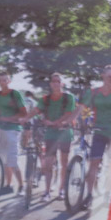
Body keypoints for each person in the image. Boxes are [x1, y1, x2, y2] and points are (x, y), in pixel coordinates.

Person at [81, 65, 111, 202]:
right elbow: (84, 109)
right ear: (103, 76)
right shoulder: (94, 92)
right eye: (109, 76)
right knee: (94, 163)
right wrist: (85, 121)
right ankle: (89, 195)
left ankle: (108, 193)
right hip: (98, 131)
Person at [34, 72, 78, 201]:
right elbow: (37, 111)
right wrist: (33, 118)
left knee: (64, 163)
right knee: (48, 164)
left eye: (58, 81)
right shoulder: (45, 99)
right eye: (54, 81)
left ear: (62, 84)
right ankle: (47, 191)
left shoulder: (68, 97)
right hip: (51, 133)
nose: (56, 84)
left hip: (65, 133)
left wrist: (54, 122)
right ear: (50, 84)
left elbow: (68, 114)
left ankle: (62, 190)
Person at [0, 71, 30, 196]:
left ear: (9, 81)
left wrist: (8, 119)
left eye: (5, 80)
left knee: (12, 160)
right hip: (1, 129)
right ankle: (8, 185)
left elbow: (24, 113)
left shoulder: (15, 94)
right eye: (0, 80)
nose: (2, 83)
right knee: (4, 160)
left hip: (13, 129)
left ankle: (22, 186)